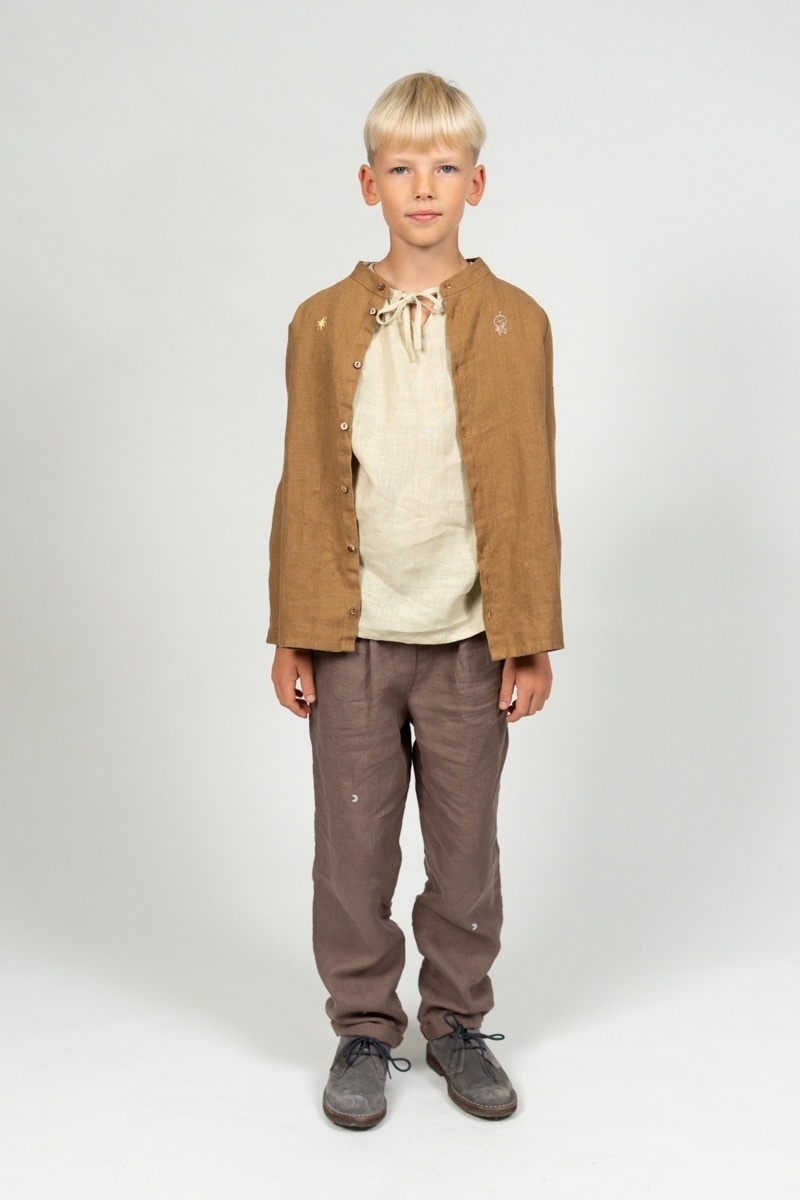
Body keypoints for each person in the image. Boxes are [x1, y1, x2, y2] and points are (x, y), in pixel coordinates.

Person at [267, 71, 562, 1129]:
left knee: (465, 847)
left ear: (476, 182)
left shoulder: (517, 321)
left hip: (471, 636)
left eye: (443, 167)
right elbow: (304, 481)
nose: (423, 187)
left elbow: (529, 482)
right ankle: (361, 1026)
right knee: (351, 851)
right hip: (350, 635)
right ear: (368, 184)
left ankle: (456, 1022)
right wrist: (292, 631)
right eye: (401, 168)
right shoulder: (318, 322)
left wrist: (530, 637)